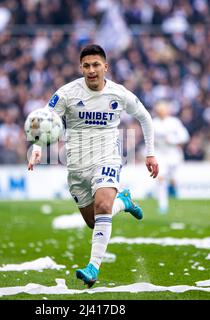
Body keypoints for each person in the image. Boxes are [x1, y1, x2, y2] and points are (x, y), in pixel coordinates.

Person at [28, 44, 159, 287]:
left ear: (105, 67)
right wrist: (36, 149)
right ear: (81, 68)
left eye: (96, 65)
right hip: (77, 166)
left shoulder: (119, 94)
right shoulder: (67, 93)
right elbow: (44, 119)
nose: (91, 70)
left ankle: (93, 267)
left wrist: (150, 154)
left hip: (107, 158)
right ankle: (125, 201)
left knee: (102, 205)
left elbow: (145, 117)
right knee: (94, 221)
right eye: (86, 65)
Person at [152, 101, 189, 214]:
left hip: (173, 154)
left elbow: (185, 137)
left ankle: (174, 188)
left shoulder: (175, 122)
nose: (161, 112)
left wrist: (173, 141)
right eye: (159, 110)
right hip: (160, 154)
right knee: (161, 178)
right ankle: (163, 205)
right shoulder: (153, 123)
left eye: (163, 110)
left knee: (173, 179)